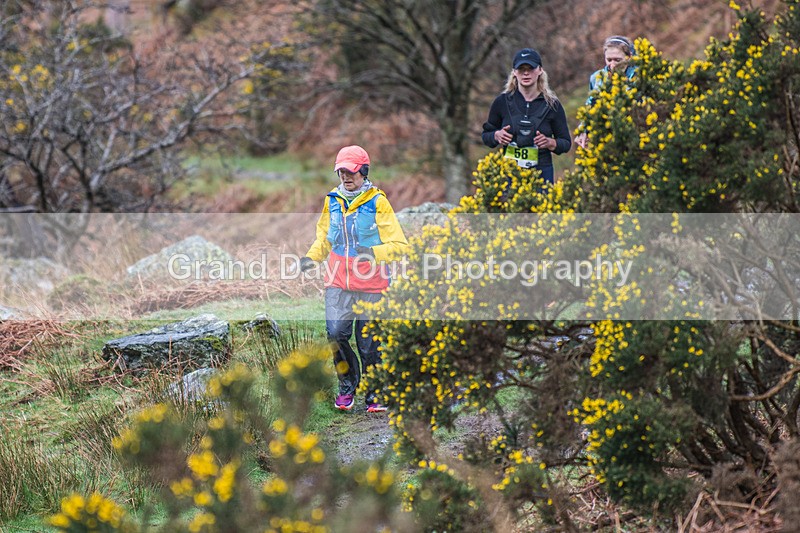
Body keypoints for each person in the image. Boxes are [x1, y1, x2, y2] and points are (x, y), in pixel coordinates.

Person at [299, 145, 408, 413]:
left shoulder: (378, 202)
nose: (346, 177)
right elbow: (324, 236)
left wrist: (374, 252)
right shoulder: (332, 200)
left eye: (351, 172)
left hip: (373, 284)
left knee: (369, 344)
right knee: (336, 334)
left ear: (364, 172)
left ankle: (376, 392)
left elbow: (400, 245)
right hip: (338, 280)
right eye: (341, 172)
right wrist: (312, 258)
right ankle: (347, 386)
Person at [481, 48, 571, 185]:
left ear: (540, 70)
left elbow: (566, 143)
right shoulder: (502, 102)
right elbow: (486, 135)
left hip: (542, 171)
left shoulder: (553, 105)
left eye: (531, 68)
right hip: (510, 172)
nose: (526, 73)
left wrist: (550, 143)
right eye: (521, 69)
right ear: (514, 72)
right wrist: (496, 135)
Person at [575, 36, 637, 149]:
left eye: (618, 60)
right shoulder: (597, 78)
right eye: (609, 60)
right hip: (606, 138)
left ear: (628, 58)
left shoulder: (638, 76)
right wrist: (583, 130)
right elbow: (591, 106)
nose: (612, 65)